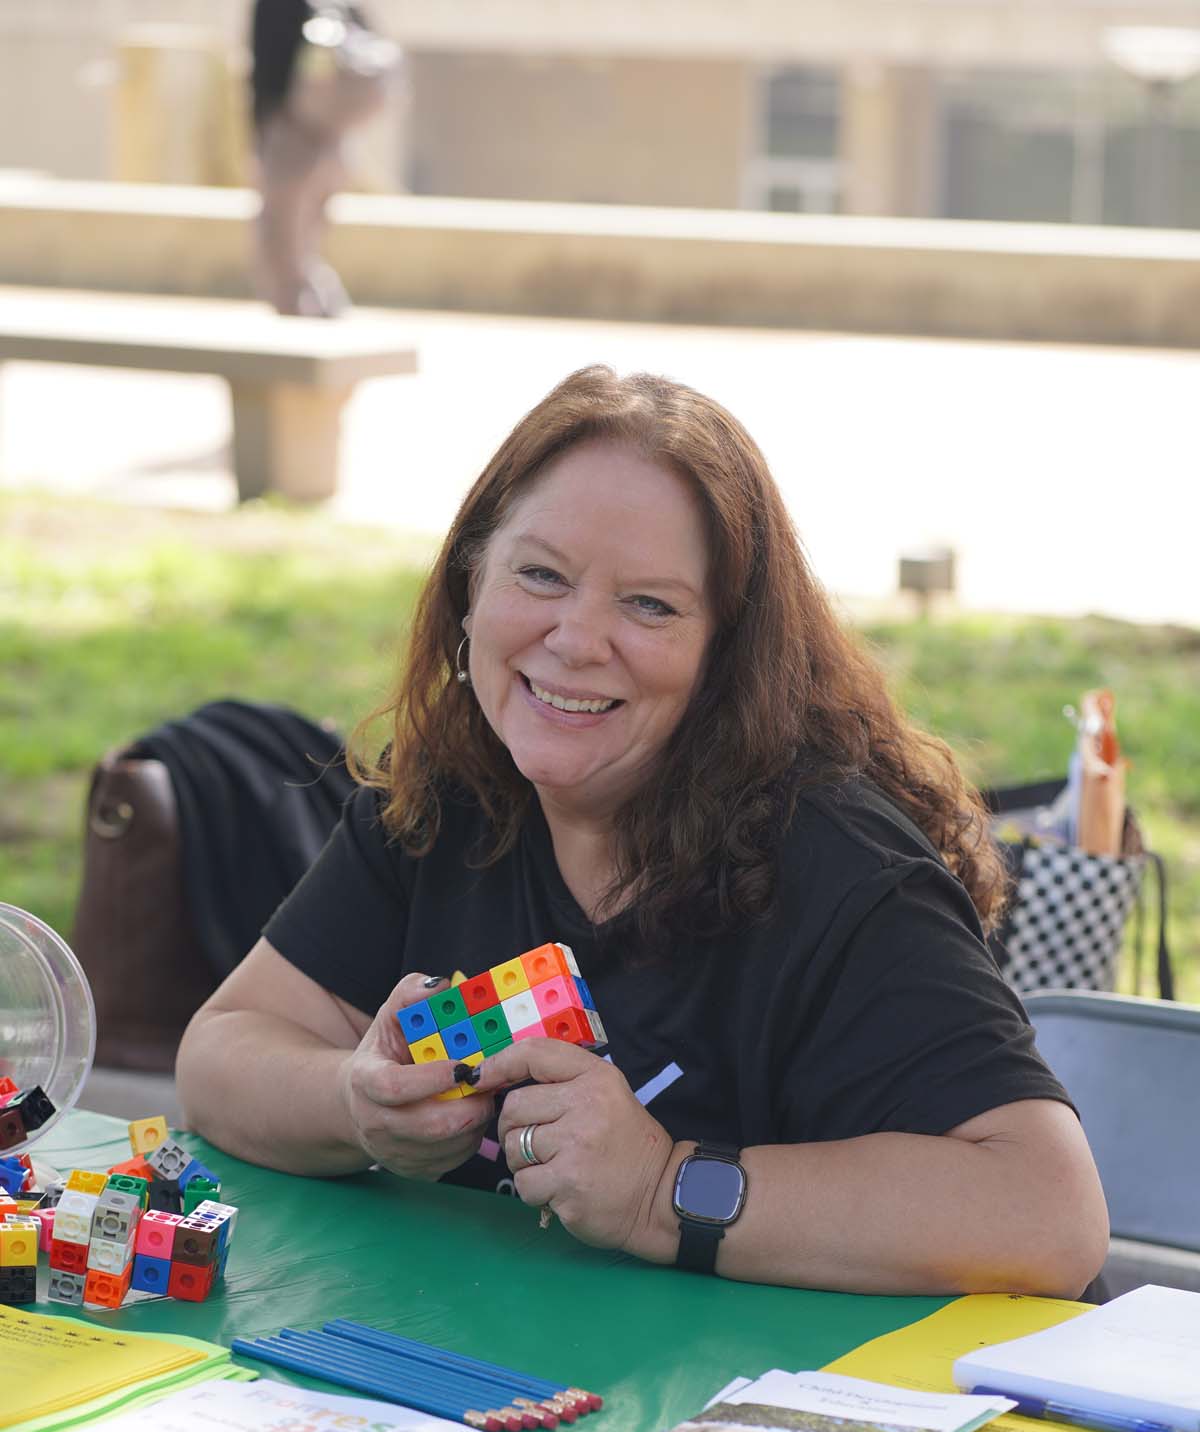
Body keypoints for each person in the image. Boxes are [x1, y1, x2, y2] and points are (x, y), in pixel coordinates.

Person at [176, 366, 1108, 1297]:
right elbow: (221, 1054)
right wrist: (356, 1104)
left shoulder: (843, 868)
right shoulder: (446, 799)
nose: (577, 639)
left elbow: (1046, 1212)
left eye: (650, 604)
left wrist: (661, 1191)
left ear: (727, 655)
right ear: (471, 585)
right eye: (540, 575)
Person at [249, 0, 393, 317]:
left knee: (283, 245)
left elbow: (268, 68)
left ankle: (301, 320)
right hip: (333, 140)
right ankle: (321, 307)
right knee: (307, 240)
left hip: (291, 135)